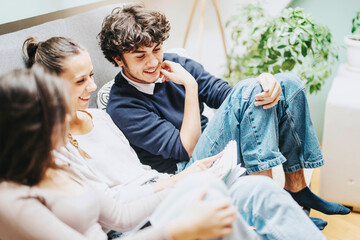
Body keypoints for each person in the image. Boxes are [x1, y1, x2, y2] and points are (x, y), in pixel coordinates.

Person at [21, 36, 328, 237]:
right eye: (80, 80)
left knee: (260, 191)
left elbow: (140, 172)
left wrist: (265, 84)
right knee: (224, 197)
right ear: (47, 85)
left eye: (90, 75)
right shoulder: (51, 150)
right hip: (144, 215)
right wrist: (181, 180)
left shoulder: (99, 117)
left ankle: (292, 191)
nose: (92, 86)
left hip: (164, 185)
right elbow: (114, 211)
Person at [98, 4, 350, 217]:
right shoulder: (122, 105)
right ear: (119, 59)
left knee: (287, 83)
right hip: (187, 169)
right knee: (256, 90)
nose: (153, 62)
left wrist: (264, 83)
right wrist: (191, 86)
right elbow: (187, 148)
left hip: (219, 150)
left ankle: (297, 189)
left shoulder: (176, 63)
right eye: (140, 56)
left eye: (156, 49)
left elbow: (228, 96)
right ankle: (266, 205)